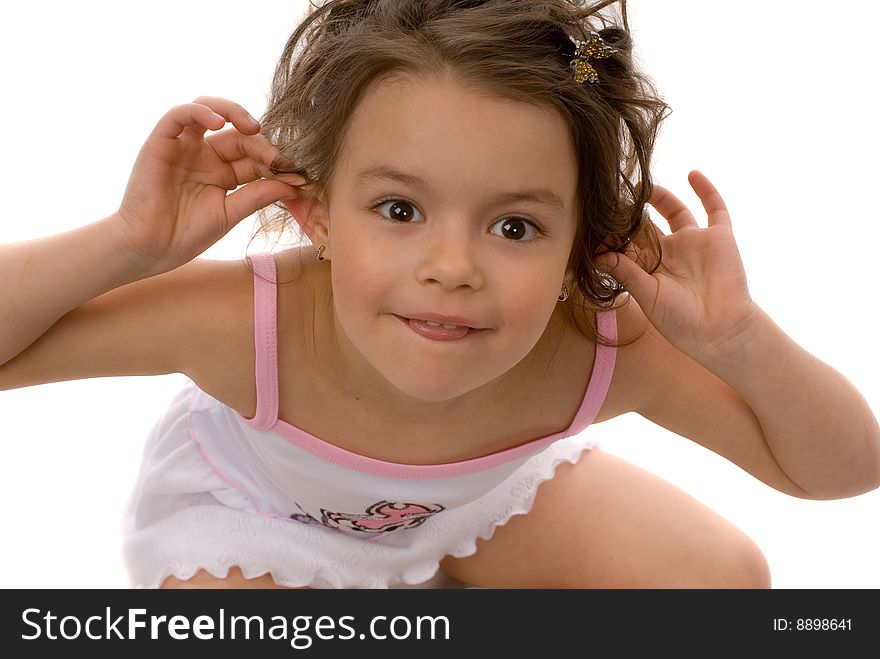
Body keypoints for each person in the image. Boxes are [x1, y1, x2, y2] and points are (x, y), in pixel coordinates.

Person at [1, 0, 878, 590]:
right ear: (318, 214)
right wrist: (127, 244)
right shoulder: (252, 322)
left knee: (722, 577)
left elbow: (842, 470)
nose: (453, 266)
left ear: (584, 240)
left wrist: (738, 341)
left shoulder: (602, 349)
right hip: (251, 516)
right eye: (399, 209)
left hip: (473, 512)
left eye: (515, 227)